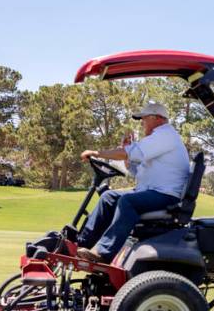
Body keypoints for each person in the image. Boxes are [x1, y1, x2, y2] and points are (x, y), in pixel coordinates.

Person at [75, 100, 190, 262]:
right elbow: (138, 171)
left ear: (157, 118)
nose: (142, 122)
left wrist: (96, 153)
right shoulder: (158, 139)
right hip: (153, 191)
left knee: (128, 201)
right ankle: (79, 243)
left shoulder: (165, 135)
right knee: (108, 197)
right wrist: (128, 157)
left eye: (144, 118)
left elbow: (128, 153)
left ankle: (103, 252)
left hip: (166, 195)